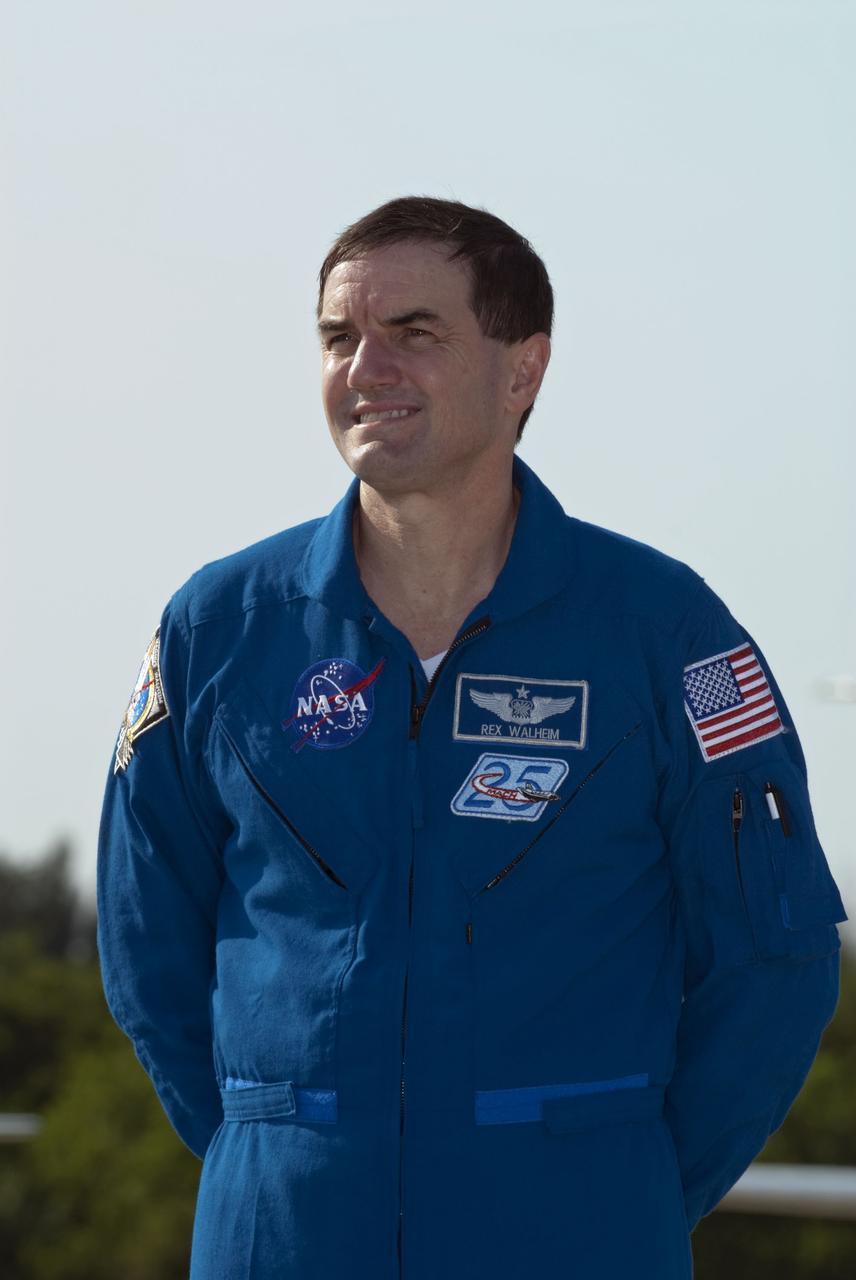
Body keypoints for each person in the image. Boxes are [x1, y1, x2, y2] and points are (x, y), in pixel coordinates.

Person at [97, 196, 848, 1280]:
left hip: (577, 1233)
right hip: (283, 1235)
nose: (365, 367)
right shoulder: (218, 631)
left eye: (415, 331)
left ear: (521, 369)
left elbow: (772, 962)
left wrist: (617, 1183)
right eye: (337, 336)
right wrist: (279, 1149)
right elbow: (146, 949)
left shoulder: (665, 632)